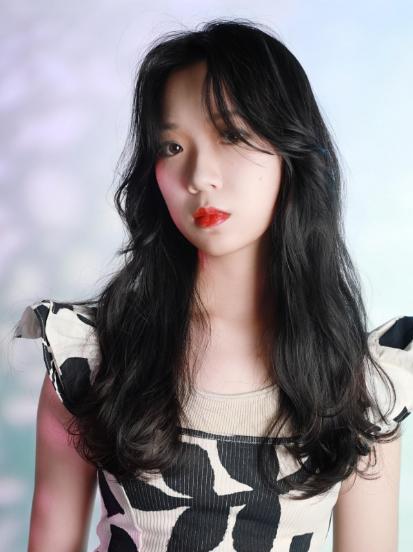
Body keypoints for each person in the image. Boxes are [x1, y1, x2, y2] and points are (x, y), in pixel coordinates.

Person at [13, 18, 413, 552]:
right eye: (172, 147)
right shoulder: (88, 356)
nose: (200, 176)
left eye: (231, 135)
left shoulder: (363, 384)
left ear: (290, 151)